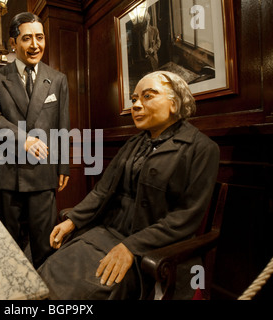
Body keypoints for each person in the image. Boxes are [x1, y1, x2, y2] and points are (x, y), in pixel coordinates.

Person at [38, 71, 220, 300]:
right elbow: (102, 191)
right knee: (48, 274)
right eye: (134, 99)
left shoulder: (202, 149)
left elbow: (185, 218)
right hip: (105, 234)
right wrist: (73, 220)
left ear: (174, 104)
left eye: (148, 96)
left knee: (86, 292)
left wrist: (130, 247)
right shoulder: (134, 143)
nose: (136, 105)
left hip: (152, 248)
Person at [0, 12, 70, 268]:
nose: (35, 45)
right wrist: (24, 139)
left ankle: (45, 291)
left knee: (44, 243)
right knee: (10, 243)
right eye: (27, 38)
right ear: (13, 43)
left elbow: (62, 124)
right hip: (9, 174)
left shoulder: (58, 79)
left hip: (43, 173)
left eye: (39, 37)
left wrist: (63, 165)